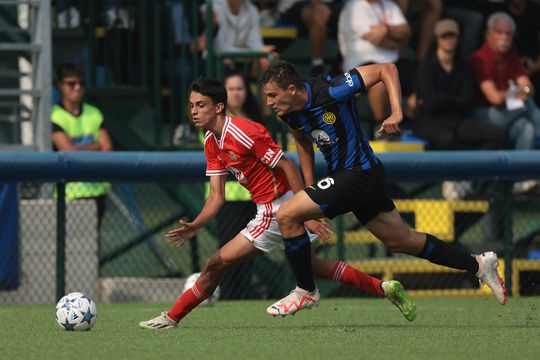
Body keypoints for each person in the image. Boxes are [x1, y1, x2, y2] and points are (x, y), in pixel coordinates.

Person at [138, 77, 416, 329]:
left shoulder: (243, 132)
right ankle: (386, 288)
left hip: (276, 209)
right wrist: (197, 224)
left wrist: (303, 211)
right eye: (191, 105)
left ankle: (171, 317)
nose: (194, 111)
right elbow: (216, 195)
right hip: (271, 208)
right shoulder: (211, 140)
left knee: (214, 263)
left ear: (219, 107)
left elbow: (288, 166)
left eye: (201, 105)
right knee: (313, 266)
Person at [259, 59, 508, 315]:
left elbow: (385, 69)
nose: (268, 102)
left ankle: (305, 291)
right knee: (402, 240)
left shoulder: (331, 90)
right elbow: (302, 141)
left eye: (272, 95)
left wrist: (397, 111)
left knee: (286, 213)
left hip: (358, 173)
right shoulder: (289, 112)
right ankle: (478, 264)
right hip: (360, 178)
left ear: (291, 89)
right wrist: (308, 193)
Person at [469, 12, 540, 193]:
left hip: (510, 113)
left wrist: (519, 91)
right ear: (488, 35)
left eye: (508, 34)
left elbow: (529, 87)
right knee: (526, 104)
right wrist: (518, 91)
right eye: (499, 32)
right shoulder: (479, 58)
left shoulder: (511, 57)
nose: (504, 38)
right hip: (484, 116)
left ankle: (520, 181)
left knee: (526, 127)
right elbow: (494, 97)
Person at [413, 19, 508, 150]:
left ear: (458, 38)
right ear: (437, 39)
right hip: (429, 122)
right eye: (444, 36)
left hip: (458, 121)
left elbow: (467, 101)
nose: (448, 40)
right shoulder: (426, 66)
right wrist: (454, 100)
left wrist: (443, 99)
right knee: (446, 138)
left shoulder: (463, 66)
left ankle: (475, 167)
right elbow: (431, 104)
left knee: (498, 134)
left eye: (452, 36)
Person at [51, 63, 113, 230]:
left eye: (81, 83)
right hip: (69, 195)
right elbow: (69, 153)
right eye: (71, 83)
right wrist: (95, 146)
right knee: (73, 248)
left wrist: (80, 149)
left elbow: (107, 148)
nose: (77, 87)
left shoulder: (94, 113)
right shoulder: (54, 115)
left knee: (92, 248)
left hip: (97, 192)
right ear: (60, 86)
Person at [337, 0, 410, 133]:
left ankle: (412, 124)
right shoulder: (355, 7)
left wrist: (386, 29)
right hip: (359, 63)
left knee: (420, 72)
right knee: (381, 78)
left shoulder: (388, 4)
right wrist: (398, 42)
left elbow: (406, 31)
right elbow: (376, 39)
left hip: (391, 60)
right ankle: (381, 126)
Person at [277, 0, 344, 76]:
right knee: (319, 13)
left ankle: (341, 64)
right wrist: (317, 3)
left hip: (333, 5)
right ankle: (317, 65)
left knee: (352, 11)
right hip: (296, 5)